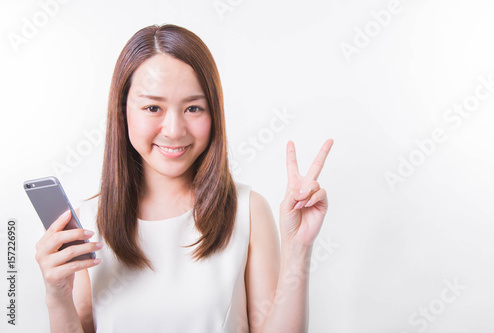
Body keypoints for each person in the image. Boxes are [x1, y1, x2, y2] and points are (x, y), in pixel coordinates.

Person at [34, 24, 333, 333]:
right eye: (153, 107)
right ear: (122, 111)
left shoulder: (247, 211)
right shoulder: (89, 223)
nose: (175, 130)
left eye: (193, 107)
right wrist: (57, 296)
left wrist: (298, 250)